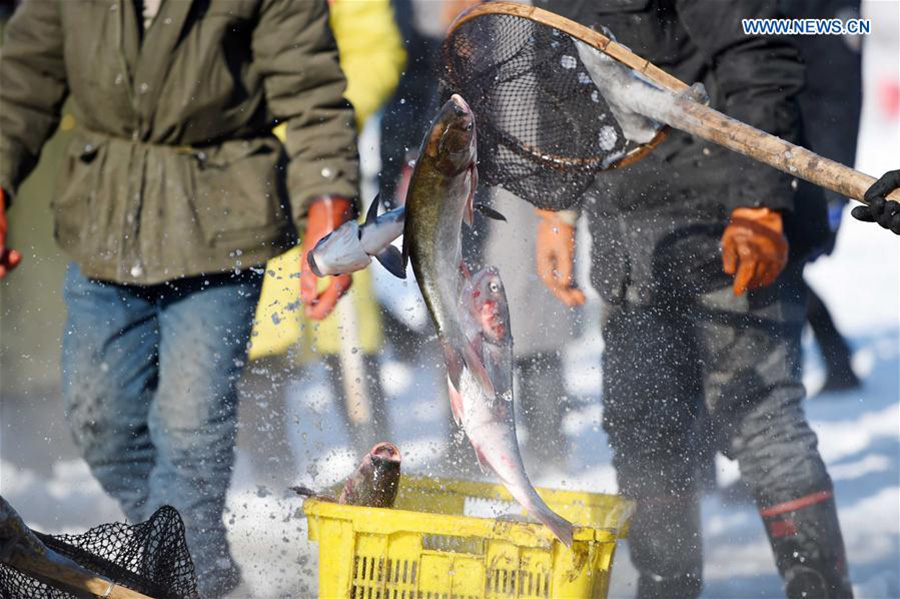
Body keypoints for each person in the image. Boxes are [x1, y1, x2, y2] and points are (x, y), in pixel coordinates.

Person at [0, 1, 358, 596]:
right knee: (101, 419)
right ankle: (187, 566)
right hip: (104, 216)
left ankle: (188, 581)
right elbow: (22, 81)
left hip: (225, 223)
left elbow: (313, 90)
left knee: (190, 432)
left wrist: (328, 203)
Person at [532, 1, 852, 597]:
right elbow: (561, 75)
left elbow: (759, 56)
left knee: (762, 421)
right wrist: (558, 207)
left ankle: (819, 588)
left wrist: (760, 202)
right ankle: (666, 585)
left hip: (725, 214)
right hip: (631, 238)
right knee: (643, 429)